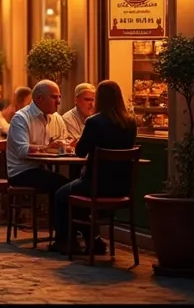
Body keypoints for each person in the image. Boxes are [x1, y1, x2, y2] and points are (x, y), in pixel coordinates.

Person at [51, 79, 137, 255]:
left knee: (61, 194)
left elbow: (81, 152)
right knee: (75, 195)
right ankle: (94, 240)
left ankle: (66, 241)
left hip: (96, 185)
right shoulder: (130, 122)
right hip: (122, 187)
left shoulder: (94, 122)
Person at [6, 79, 68, 216]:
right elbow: (22, 151)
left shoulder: (57, 118)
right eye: (54, 97)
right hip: (21, 172)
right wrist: (47, 147)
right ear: (39, 98)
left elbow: (64, 141)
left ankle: (64, 228)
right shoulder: (21, 118)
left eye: (59, 97)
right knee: (62, 184)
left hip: (43, 168)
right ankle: (61, 228)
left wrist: (67, 145)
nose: (58, 101)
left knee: (70, 183)